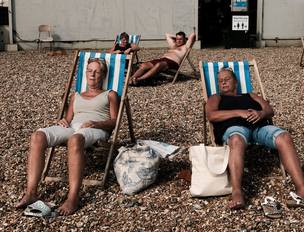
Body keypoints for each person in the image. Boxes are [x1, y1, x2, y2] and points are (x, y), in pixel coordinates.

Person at [206, 67, 304, 210]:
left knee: (284, 136)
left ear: (235, 82)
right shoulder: (216, 98)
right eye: (220, 81)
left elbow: (269, 110)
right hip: (236, 129)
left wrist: (261, 114)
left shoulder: (251, 95)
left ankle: (302, 189)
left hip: (259, 127)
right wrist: (239, 112)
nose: (223, 83)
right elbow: (212, 116)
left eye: (226, 79)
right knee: (236, 139)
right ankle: (237, 192)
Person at [16, 58, 119, 215]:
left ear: (103, 75)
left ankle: (72, 198)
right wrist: (63, 120)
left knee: (75, 139)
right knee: (38, 136)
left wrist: (96, 123)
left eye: (97, 72)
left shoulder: (110, 95)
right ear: (85, 73)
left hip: (95, 128)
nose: (92, 74)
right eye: (89, 71)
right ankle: (31, 193)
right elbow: (69, 119)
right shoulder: (76, 96)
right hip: (73, 127)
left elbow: (114, 122)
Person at [130, 30, 196, 85]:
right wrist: (176, 37)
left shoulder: (186, 47)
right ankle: (131, 79)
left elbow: (193, 35)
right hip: (162, 60)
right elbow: (167, 35)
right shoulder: (173, 45)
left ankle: (139, 79)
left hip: (173, 62)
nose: (178, 41)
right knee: (144, 65)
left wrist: (185, 39)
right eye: (177, 39)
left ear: (184, 39)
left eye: (180, 39)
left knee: (159, 65)